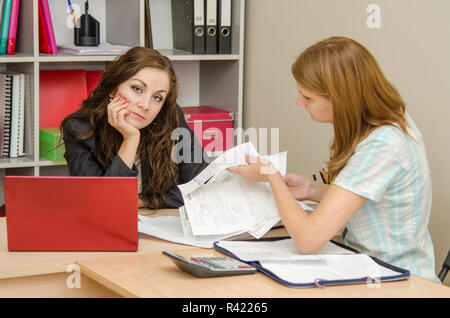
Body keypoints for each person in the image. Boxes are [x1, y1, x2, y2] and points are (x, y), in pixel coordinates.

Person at [228, 36, 440, 283]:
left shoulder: (384, 144)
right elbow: (371, 197)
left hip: (398, 279)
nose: (299, 103)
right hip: (365, 266)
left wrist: (270, 175)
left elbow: (308, 240)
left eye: (307, 97)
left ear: (340, 98)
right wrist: (313, 189)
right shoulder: (387, 123)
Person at [61, 46, 208, 209]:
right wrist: (130, 139)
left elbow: (203, 186)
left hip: (158, 226)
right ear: (113, 88)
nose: (145, 105)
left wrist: (143, 201)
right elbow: (102, 203)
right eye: (137, 89)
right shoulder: (79, 128)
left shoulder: (171, 116)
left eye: (157, 97)